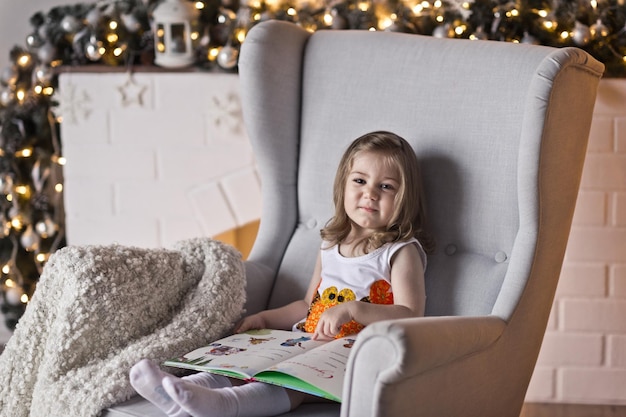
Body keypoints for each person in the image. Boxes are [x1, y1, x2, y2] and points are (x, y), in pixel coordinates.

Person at [129, 130, 433, 417]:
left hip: (357, 357)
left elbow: (411, 314)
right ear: (343, 185)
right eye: (360, 181)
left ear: (404, 196)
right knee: (254, 364)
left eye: (386, 186)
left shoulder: (400, 250)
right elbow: (307, 305)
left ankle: (224, 406)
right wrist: (266, 319)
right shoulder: (331, 243)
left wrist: (354, 308)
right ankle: (184, 391)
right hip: (306, 343)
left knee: (289, 383)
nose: (370, 194)